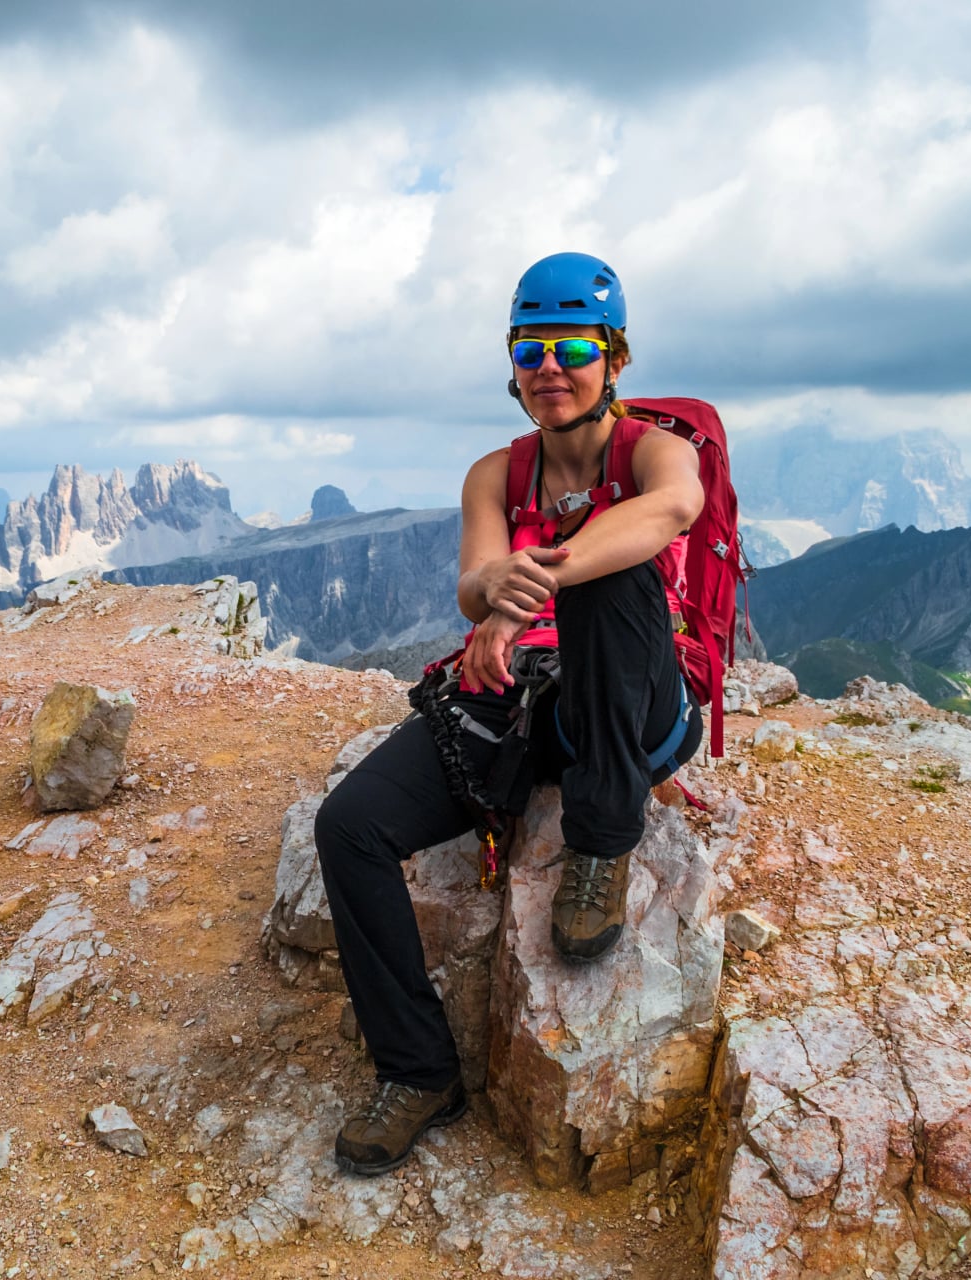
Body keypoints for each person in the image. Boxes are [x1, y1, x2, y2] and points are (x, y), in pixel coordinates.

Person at [314, 252, 707, 1175]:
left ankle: (601, 842)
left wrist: (529, 591)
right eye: (531, 350)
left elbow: (674, 507)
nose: (549, 369)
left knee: (611, 582)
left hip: (637, 705)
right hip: (534, 705)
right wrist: (494, 594)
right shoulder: (497, 473)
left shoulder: (653, 450)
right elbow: (470, 578)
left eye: (572, 347)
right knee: (350, 826)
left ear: (615, 358)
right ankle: (419, 1073)